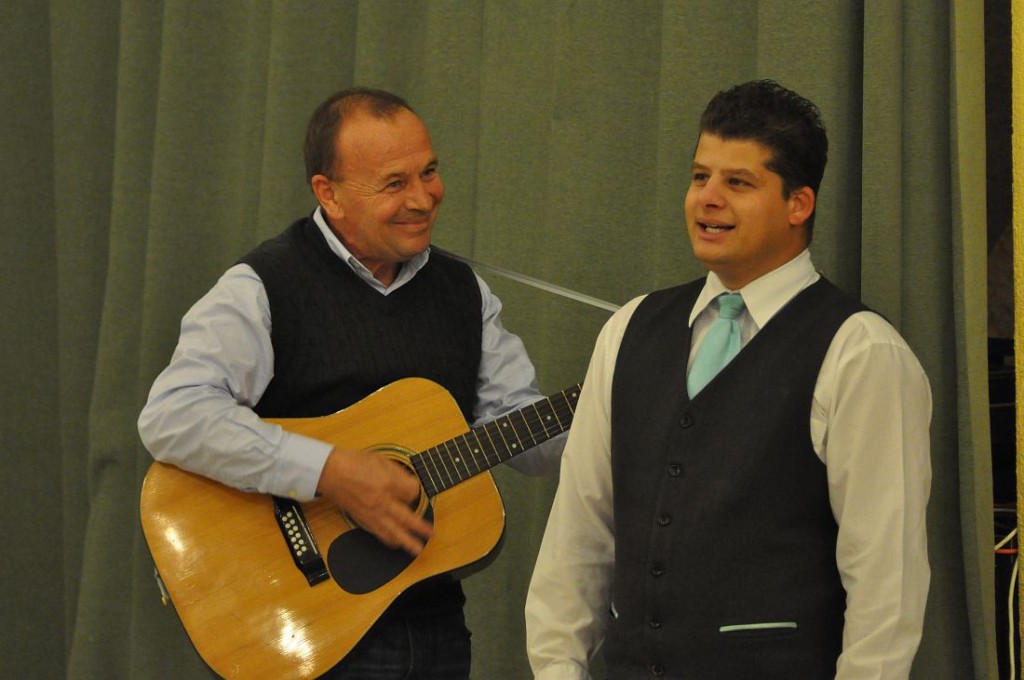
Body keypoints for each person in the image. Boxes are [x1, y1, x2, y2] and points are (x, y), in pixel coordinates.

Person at [138, 87, 564, 680]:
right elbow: (173, 415)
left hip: (435, 627)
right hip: (307, 630)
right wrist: (330, 472)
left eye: (429, 172)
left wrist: (619, 405)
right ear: (328, 193)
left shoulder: (465, 294)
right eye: (394, 183)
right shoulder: (263, 287)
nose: (423, 198)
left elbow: (526, 432)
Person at [525, 80, 931, 679]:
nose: (707, 199)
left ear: (799, 204)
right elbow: (579, 534)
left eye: (738, 183)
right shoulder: (628, 330)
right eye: (699, 177)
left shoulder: (861, 353)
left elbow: (886, 586)